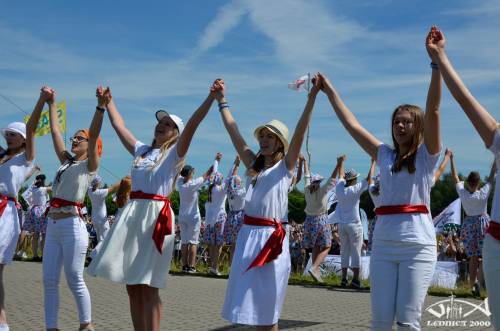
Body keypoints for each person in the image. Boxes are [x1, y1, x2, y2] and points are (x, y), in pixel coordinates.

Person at [319, 26, 442, 329]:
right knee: (380, 320)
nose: (400, 126)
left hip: (418, 245)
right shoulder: (384, 154)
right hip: (384, 242)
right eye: (396, 122)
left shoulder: (427, 155)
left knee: (408, 320)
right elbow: (352, 125)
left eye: (407, 122)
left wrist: (436, 63)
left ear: (418, 127)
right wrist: (329, 90)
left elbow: (435, 109)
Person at [87, 81, 216, 331]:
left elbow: (193, 124)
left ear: (176, 133)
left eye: (168, 124)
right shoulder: (142, 151)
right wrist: (108, 102)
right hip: (132, 215)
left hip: (156, 217)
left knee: (149, 286)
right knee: (132, 285)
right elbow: (119, 126)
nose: (162, 125)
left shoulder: (174, 154)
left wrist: (211, 98)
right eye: (161, 121)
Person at [217, 75, 319, 330]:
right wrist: (222, 100)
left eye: (270, 137)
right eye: (262, 136)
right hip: (247, 237)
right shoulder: (253, 166)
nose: (264, 140)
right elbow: (234, 133)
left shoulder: (285, 168)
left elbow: (299, 131)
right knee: (249, 309)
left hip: (271, 239)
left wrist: (311, 99)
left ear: (280, 144)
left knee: (268, 312)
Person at [428, 26, 500, 328]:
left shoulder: (474, 190)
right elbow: (466, 102)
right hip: (495, 239)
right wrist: (440, 57)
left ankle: (472, 282)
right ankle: (475, 284)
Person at [42, 86, 104, 331]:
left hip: (72, 226)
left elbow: (96, 130)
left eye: (80, 137)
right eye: (74, 137)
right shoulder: (66, 163)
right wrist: (51, 103)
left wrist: (100, 107)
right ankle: (51, 327)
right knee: (48, 280)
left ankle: (86, 325)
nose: (74, 139)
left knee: (74, 278)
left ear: (92, 145)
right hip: (53, 224)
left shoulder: (89, 165)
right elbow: (56, 131)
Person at [0, 86, 46, 331]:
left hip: (4, 212)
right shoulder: (3, 158)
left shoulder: (25, 158)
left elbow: (32, 128)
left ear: (24, 140)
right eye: (6, 134)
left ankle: (2, 321)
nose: (8, 137)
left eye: (13, 135)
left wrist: (41, 99)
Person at [450, 150, 495, 295]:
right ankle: (480, 284)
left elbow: (455, 177)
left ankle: (471, 284)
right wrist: (496, 158)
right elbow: (491, 176)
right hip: (483, 223)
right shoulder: (483, 193)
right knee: (484, 255)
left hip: (469, 224)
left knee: (472, 257)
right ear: (478, 182)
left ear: (468, 182)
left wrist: (451, 159)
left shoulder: (463, 193)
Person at [302, 155, 338, 283]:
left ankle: (315, 273)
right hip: (321, 219)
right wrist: (338, 164)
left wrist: (304, 162)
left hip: (309, 220)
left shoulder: (306, 190)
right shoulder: (322, 191)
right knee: (327, 246)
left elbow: (306, 175)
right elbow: (332, 179)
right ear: (319, 182)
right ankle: (315, 267)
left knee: (316, 246)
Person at [335, 156, 369, 289]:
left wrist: (340, 163)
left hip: (342, 224)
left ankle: (343, 279)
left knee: (344, 251)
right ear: (354, 179)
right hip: (354, 224)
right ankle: (355, 279)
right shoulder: (355, 189)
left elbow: (340, 175)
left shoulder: (339, 188)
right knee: (356, 252)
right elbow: (368, 179)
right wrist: (372, 163)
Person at [176, 162, 212, 274]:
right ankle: (191, 266)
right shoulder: (193, 184)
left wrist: (187, 168)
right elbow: (207, 174)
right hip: (193, 217)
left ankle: (184, 266)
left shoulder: (180, 183)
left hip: (182, 216)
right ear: (188, 174)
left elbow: (180, 173)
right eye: (191, 171)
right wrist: (216, 161)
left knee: (184, 242)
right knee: (193, 242)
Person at [203, 152, 227, 276]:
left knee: (212, 244)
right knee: (219, 245)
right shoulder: (222, 190)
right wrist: (235, 165)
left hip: (210, 219)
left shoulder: (210, 189)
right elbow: (229, 177)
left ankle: (211, 267)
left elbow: (214, 173)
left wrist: (216, 161)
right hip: (220, 218)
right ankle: (214, 266)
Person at [223, 155, 246, 264]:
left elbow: (232, 177)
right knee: (240, 243)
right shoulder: (241, 192)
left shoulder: (229, 190)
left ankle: (232, 265)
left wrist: (236, 164)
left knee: (233, 244)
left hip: (231, 215)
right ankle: (238, 265)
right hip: (240, 216)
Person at [24, 173, 51, 261]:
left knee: (35, 235)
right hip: (42, 211)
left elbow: (27, 196)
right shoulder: (44, 189)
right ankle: (43, 255)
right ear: (43, 180)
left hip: (33, 210)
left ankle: (35, 255)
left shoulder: (33, 189)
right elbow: (54, 188)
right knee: (44, 235)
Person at [87, 175, 119, 243]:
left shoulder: (89, 191)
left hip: (94, 218)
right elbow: (113, 188)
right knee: (105, 240)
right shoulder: (100, 193)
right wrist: (124, 180)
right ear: (98, 183)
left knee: (99, 240)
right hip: (102, 219)